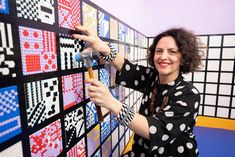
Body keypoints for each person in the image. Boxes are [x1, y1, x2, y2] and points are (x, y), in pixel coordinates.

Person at [72, 25, 203, 157]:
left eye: (172, 52)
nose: (163, 56)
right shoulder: (153, 77)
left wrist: (112, 103)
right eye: (159, 51)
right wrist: (103, 47)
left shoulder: (189, 94)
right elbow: (127, 68)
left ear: (184, 57)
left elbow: (157, 130)